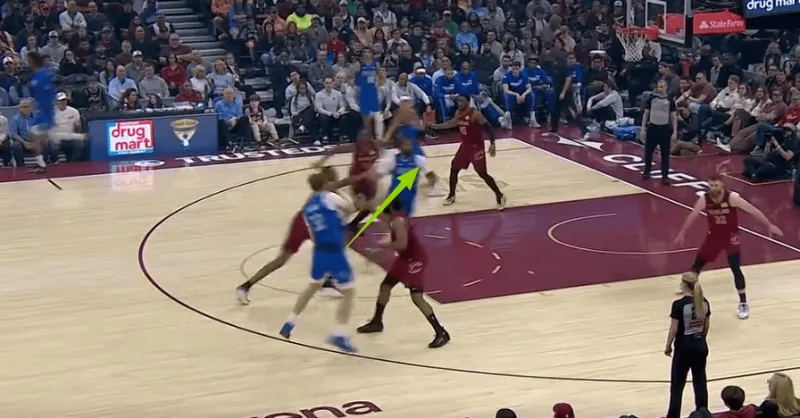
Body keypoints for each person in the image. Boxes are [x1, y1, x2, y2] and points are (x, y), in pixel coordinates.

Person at [675, 174, 783, 319]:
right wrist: (682, 232)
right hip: (714, 236)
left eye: (716, 185)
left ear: (722, 185)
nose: (713, 188)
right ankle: (688, 286)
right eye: (711, 185)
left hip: (731, 237)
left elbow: (753, 210)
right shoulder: (704, 198)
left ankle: (743, 302)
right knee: (698, 263)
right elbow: (693, 215)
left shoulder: (732, 198)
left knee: (735, 267)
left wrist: (768, 225)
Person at [235, 166, 346, 305]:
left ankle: (328, 283)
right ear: (328, 179)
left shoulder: (329, 191)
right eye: (335, 175)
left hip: (310, 224)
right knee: (282, 259)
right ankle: (245, 287)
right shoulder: (327, 191)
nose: (338, 177)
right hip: (304, 225)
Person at [279, 170, 359, 353]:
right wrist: (343, 195)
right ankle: (340, 334)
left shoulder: (307, 208)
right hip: (334, 251)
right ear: (325, 184)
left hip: (319, 251)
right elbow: (351, 208)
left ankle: (290, 322)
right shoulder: (329, 197)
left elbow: (313, 236)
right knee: (349, 291)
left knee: (313, 285)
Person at [356, 199, 450, 348]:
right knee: (385, 286)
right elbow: (375, 211)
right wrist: (366, 204)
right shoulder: (393, 217)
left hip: (415, 259)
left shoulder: (397, 222)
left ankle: (441, 332)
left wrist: (380, 246)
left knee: (417, 297)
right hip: (405, 258)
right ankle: (377, 321)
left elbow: (401, 245)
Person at [429, 94, 505, 208]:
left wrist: (492, 143)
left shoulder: (475, 114)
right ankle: (451, 195)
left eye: (462, 101)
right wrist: (436, 126)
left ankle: (499, 195)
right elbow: (451, 123)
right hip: (465, 146)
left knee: (482, 173)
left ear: (468, 102)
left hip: (476, 147)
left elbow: (488, 128)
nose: (459, 103)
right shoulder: (458, 113)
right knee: (454, 168)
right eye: (458, 101)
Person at [665, 271, 710, 418]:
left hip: (684, 348)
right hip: (700, 346)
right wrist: (700, 340)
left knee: (677, 385)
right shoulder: (704, 302)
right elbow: (706, 326)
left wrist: (668, 346)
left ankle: (673, 415)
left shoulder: (678, 304)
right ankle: (703, 413)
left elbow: (674, 329)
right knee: (700, 381)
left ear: (683, 284)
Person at [382, 98, 442, 199]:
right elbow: (392, 128)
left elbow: (419, 128)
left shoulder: (412, 115)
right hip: (405, 149)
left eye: (406, 104)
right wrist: (386, 140)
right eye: (403, 104)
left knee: (425, 169)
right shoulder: (399, 117)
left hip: (415, 149)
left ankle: (435, 187)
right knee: (395, 168)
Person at [642, 79, 678, 185]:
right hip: (652, 127)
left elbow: (673, 116)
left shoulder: (670, 101)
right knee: (648, 151)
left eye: (662, 87)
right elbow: (646, 113)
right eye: (658, 87)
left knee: (665, 154)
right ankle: (647, 171)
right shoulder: (651, 98)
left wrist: (675, 131)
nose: (660, 89)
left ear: (666, 87)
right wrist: (643, 127)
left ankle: (665, 176)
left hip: (664, 129)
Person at [352, 47, 384, 141]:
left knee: (378, 117)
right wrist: (355, 76)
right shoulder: (359, 64)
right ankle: (368, 138)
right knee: (366, 119)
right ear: (362, 54)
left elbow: (381, 77)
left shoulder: (376, 64)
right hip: (363, 92)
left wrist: (380, 85)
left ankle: (379, 138)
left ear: (372, 54)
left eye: (368, 52)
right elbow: (351, 76)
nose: (366, 54)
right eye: (364, 52)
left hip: (373, 92)